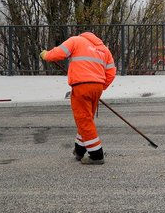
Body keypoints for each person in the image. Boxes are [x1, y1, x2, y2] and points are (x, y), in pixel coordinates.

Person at [41, 31, 117, 165]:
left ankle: (96, 155)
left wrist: (46, 55)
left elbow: (58, 53)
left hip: (81, 86)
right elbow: (111, 72)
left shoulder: (76, 41)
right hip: (97, 87)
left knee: (84, 120)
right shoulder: (104, 49)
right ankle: (79, 150)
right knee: (87, 118)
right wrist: (99, 86)